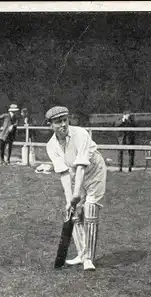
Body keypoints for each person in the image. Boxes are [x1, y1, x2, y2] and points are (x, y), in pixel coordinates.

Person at [45, 105, 107, 271]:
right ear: (50, 125)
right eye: (58, 122)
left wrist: (76, 194)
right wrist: (70, 200)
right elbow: (64, 173)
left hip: (94, 172)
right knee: (73, 212)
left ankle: (89, 259)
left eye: (65, 120)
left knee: (90, 209)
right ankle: (81, 253)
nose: (63, 125)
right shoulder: (51, 146)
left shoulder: (80, 134)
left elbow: (81, 166)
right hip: (74, 175)